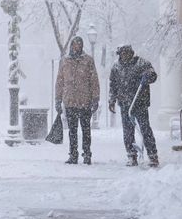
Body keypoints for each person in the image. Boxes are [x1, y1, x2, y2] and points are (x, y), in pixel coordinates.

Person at [108, 44, 159, 167]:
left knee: (145, 129)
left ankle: (152, 156)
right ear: (119, 54)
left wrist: (149, 76)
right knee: (128, 131)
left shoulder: (141, 63)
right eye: (122, 53)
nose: (124, 56)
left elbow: (153, 76)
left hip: (139, 102)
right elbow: (113, 85)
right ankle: (131, 155)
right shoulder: (116, 67)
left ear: (131, 52)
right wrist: (112, 100)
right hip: (125, 103)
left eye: (126, 53)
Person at [54, 35, 99, 165]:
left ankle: (87, 154)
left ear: (82, 46)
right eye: (74, 44)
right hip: (70, 101)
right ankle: (73, 155)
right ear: (71, 46)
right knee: (72, 131)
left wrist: (95, 98)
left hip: (85, 101)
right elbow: (60, 81)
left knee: (86, 130)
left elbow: (94, 80)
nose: (76, 47)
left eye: (79, 44)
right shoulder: (64, 61)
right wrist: (58, 99)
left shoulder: (88, 60)